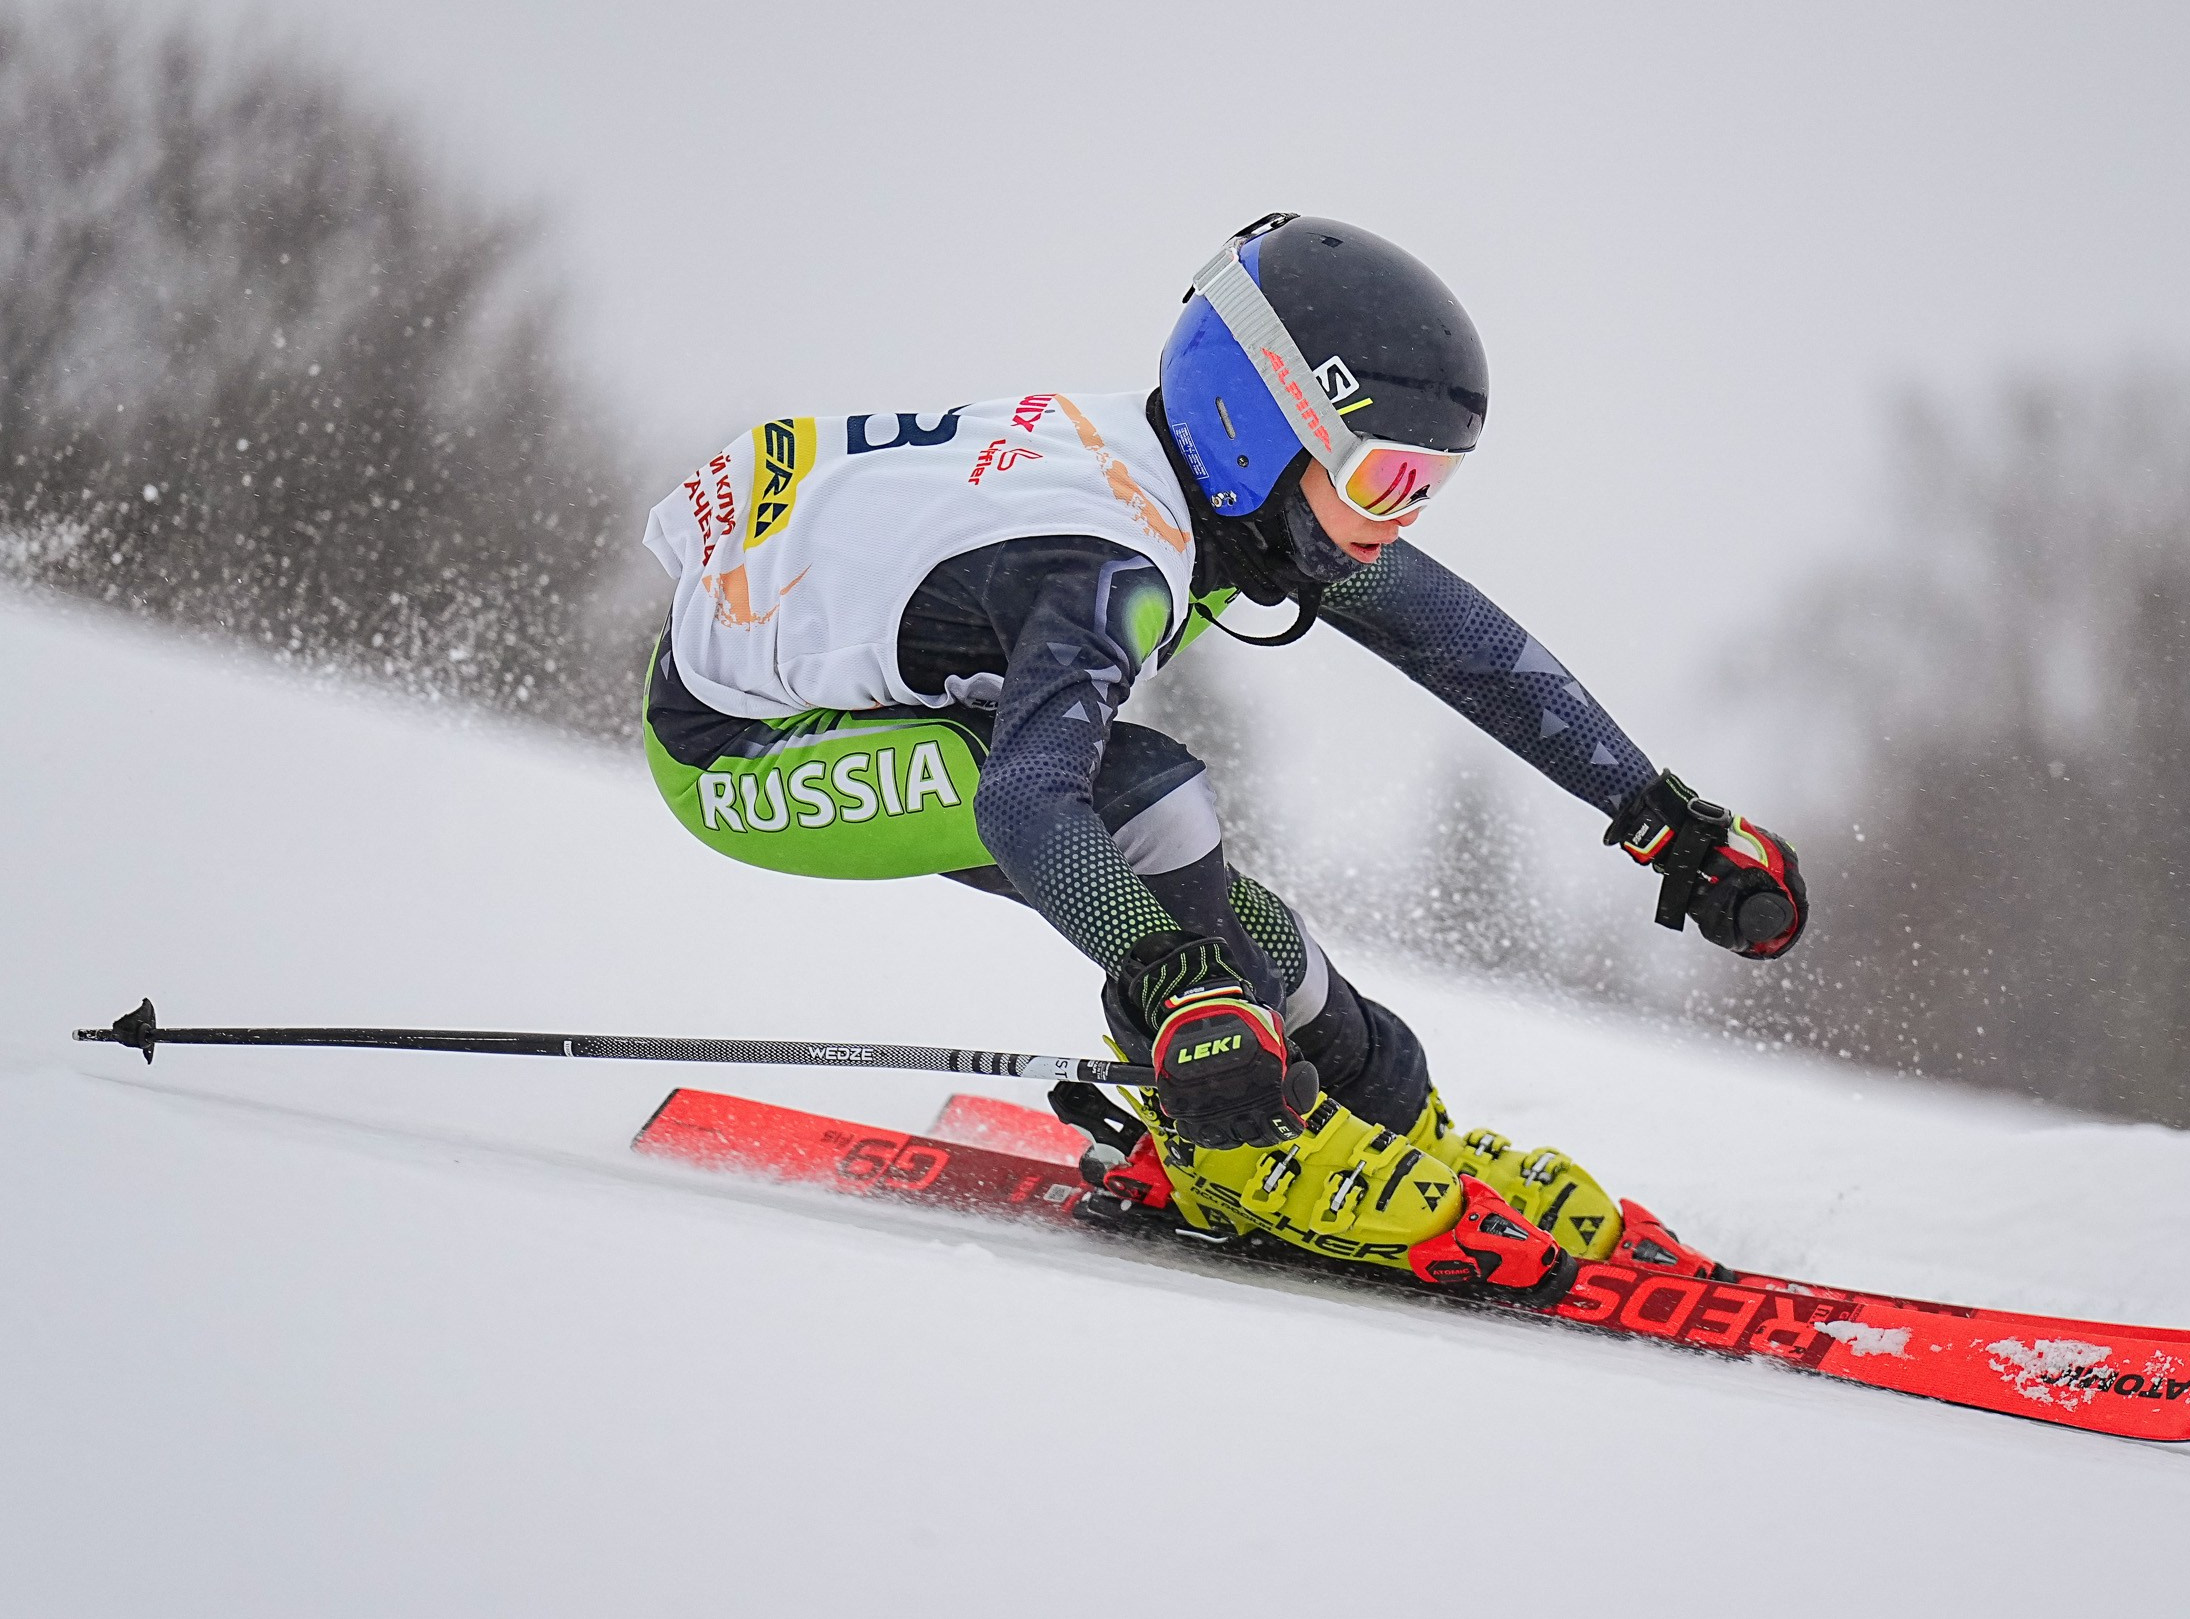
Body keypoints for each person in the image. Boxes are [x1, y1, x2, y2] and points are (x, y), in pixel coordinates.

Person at [640, 212, 1807, 1302]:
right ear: (1260, 429)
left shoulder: (1207, 488)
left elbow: (1458, 643)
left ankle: (1391, 1116)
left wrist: (1660, 814)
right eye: (1382, 476)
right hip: (742, 754)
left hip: (832, 668)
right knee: (1143, 808)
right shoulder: (1109, 562)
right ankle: (1234, 1152)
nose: (1398, 516)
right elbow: (1030, 803)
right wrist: (1170, 981)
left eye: (1427, 484)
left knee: (1231, 915)